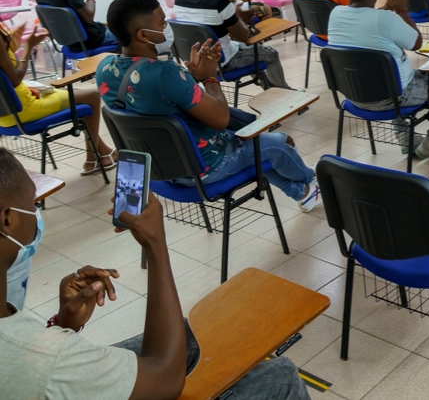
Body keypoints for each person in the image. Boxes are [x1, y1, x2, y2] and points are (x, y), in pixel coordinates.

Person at [0, 148, 310, 400]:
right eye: (33, 202)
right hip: (52, 369)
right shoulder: (44, 358)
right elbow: (165, 380)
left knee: (188, 336)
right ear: (7, 219)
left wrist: (61, 325)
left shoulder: (25, 338)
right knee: (280, 377)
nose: (36, 210)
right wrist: (156, 246)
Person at [99, 0, 321, 210]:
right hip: (203, 166)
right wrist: (209, 78)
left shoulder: (105, 68)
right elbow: (220, 120)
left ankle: (302, 192)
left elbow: (153, 99)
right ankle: (312, 179)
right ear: (143, 35)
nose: (167, 26)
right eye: (163, 22)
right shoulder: (166, 72)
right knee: (278, 143)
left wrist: (188, 80)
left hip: (156, 167)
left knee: (260, 145)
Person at [327, 0, 429, 160]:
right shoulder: (386, 20)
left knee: (387, 77)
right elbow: (416, 43)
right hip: (393, 98)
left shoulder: (335, 14)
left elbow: (368, 21)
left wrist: (389, 6)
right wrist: (401, 10)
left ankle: (405, 138)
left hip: (353, 95)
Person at [0, 23, 116, 178]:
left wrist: (13, 42)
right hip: (24, 107)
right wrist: (28, 47)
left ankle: (104, 151)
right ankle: (92, 158)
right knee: (92, 96)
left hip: (5, 115)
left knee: (76, 96)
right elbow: (14, 79)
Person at [174, 0, 290, 89]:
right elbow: (243, 36)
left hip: (195, 62)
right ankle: (287, 95)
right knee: (270, 53)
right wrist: (240, 17)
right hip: (223, 61)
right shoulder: (219, 1)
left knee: (252, 51)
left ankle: (271, 91)